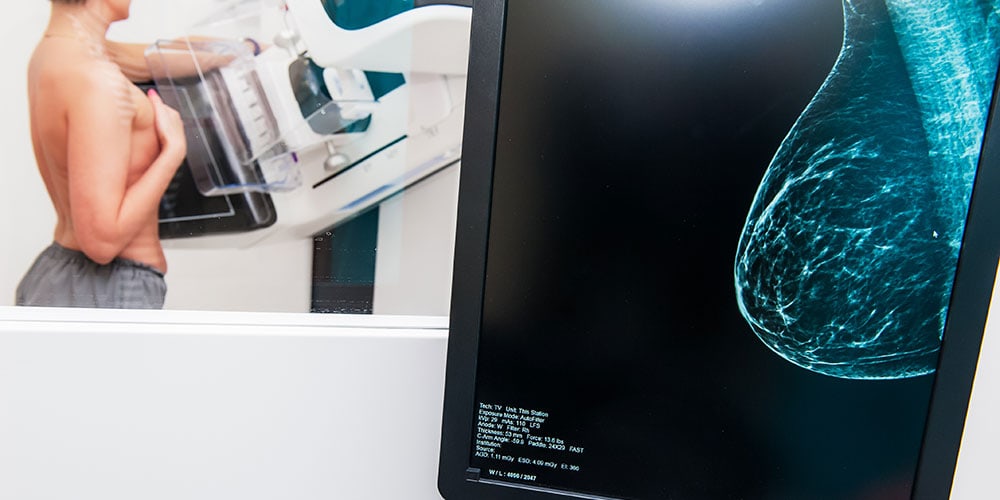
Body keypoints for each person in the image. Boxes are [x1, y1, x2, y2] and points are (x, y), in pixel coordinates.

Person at [16, 0, 187, 308]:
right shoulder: (97, 80)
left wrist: (253, 46)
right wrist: (173, 151)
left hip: (64, 276)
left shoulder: (54, 54)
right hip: (107, 287)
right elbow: (101, 242)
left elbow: (171, 56)